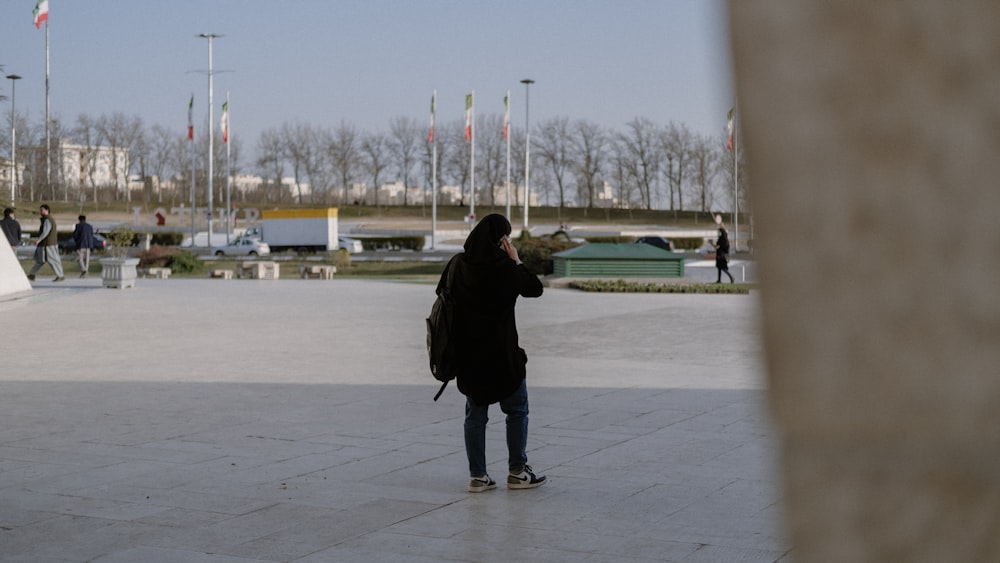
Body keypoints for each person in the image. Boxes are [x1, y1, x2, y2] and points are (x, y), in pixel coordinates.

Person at [438, 213, 546, 493]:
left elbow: (442, 297)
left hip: (469, 356)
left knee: (475, 416)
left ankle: (478, 476)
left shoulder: (458, 265)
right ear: (500, 241)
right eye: (505, 238)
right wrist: (517, 261)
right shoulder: (505, 268)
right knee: (517, 410)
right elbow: (535, 288)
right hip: (502, 355)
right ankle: (517, 471)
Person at [27, 204, 64, 282]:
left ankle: (60, 275)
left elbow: (45, 232)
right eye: (40, 210)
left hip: (48, 244)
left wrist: (39, 240)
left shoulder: (48, 220)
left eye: (42, 210)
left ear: (47, 210)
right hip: (45, 244)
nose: (40, 212)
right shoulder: (46, 219)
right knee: (40, 260)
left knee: (53, 260)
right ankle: (32, 274)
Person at [714, 217, 735, 283]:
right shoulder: (724, 236)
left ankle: (731, 277)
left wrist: (717, 246)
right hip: (721, 253)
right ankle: (719, 280)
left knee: (722, 267)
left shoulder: (722, 236)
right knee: (719, 267)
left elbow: (719, 245)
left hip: (721, 254)